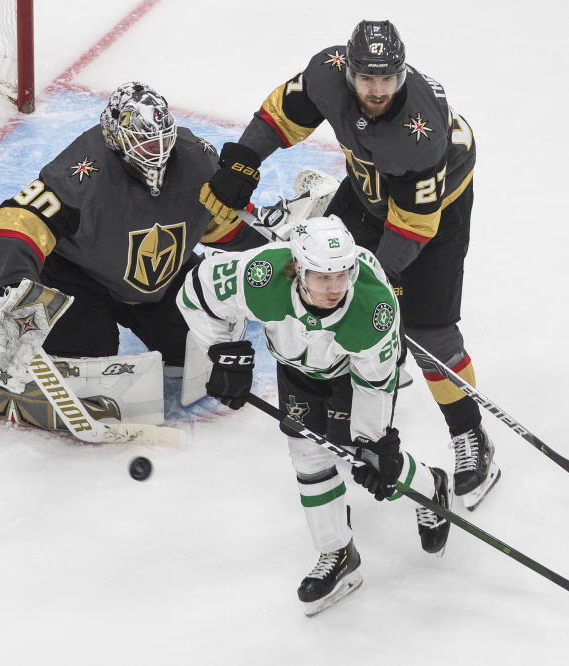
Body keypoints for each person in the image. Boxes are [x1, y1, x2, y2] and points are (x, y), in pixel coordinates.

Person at [198, 20, 500, 510]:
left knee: (429, 333)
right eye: (366, 79)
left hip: (434, 216)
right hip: (366, 191)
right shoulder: (327, 72)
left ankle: (470, 434)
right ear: (350, 71)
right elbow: (282, 114)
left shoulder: (419, 133)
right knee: (321, 289)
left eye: (387, 79)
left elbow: (412, 228)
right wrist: (244, 159)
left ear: (401, 75)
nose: (376, 90)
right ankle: (347, 408)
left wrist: (376, 283)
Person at [0, 81, 267, 429]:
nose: (159, 152)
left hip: (160, 279)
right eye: (147, 144)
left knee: (197, 351)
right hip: (80, 278)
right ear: (118, 136)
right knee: (91, 366)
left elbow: (219, 225)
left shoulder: (197, 160)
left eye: (164, 140)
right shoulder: (82, 171)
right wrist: (17, 281)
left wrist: (271, 253)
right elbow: (14, 224)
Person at [178, 214, 454, 616]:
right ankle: (337, 554)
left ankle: (431, 488)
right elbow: (196, 291)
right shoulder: (262, 274)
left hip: (354, 373)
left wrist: (373, 443)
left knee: (361, 456)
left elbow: (375, 385)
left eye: (342, 275)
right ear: (298, 269)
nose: (335, 287)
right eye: (323, 278)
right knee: (307, 457)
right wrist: (224, 352)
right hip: (296, 368)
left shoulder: (371, 309)